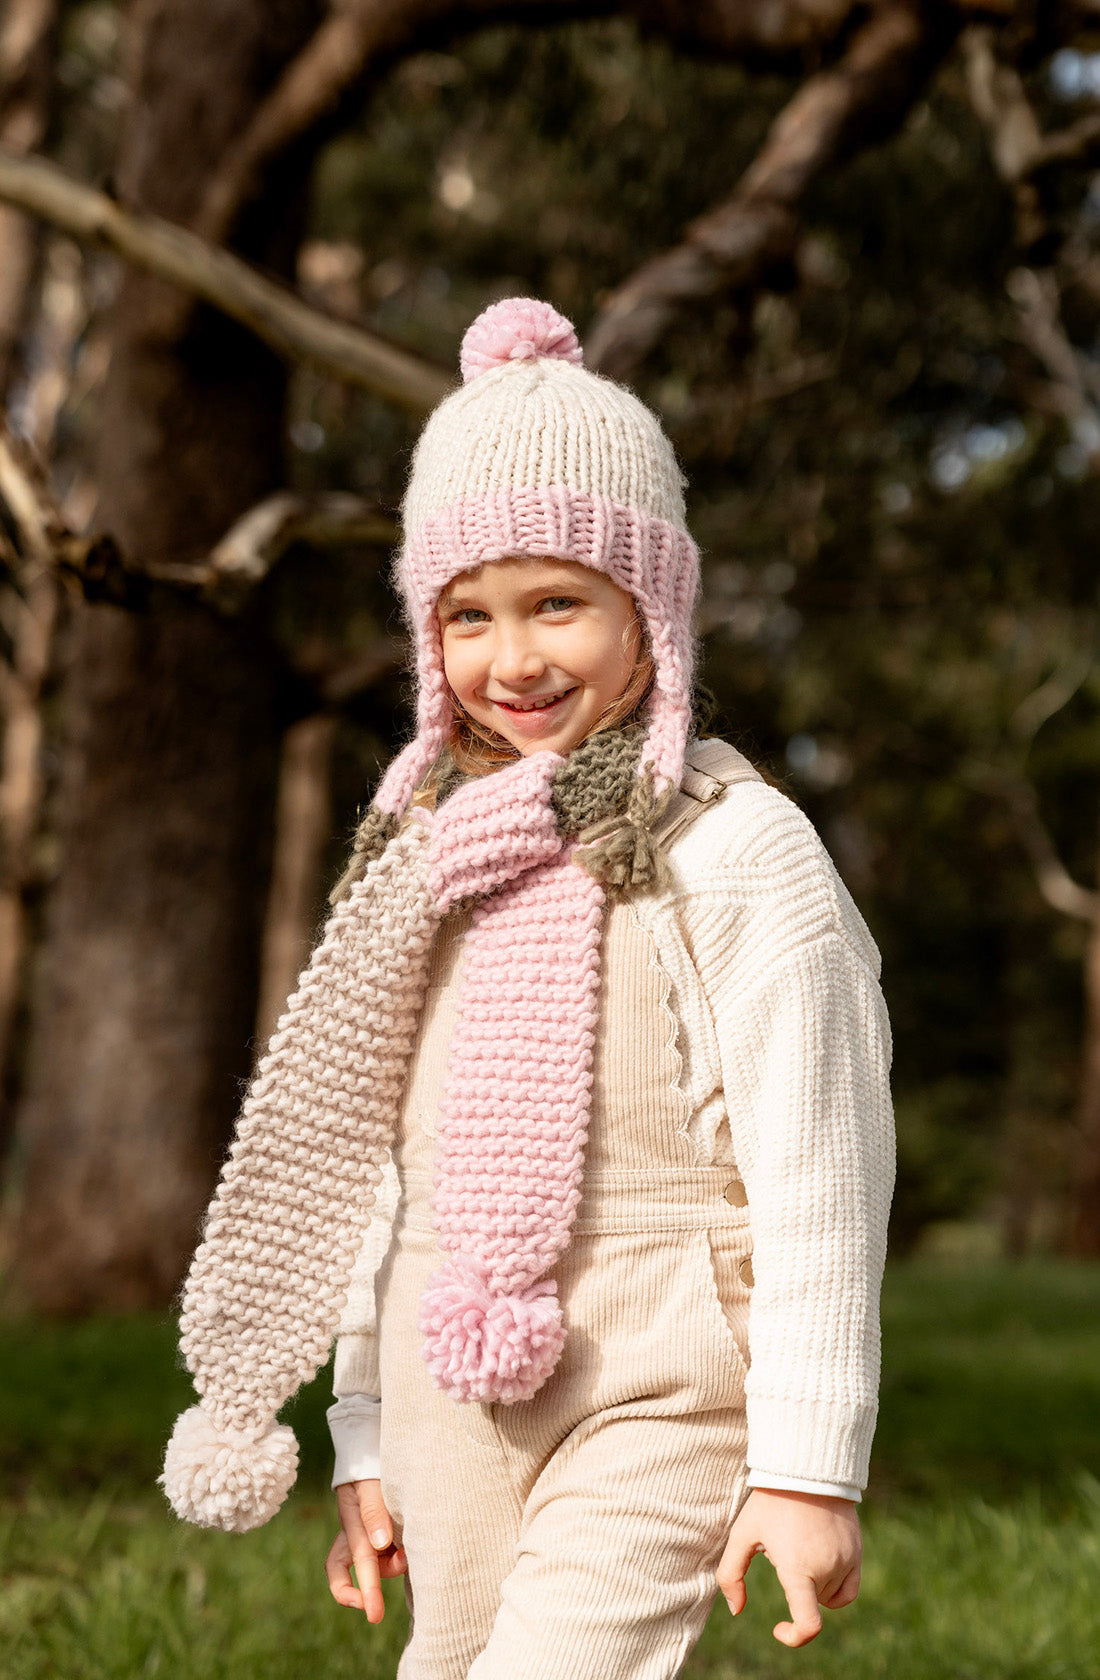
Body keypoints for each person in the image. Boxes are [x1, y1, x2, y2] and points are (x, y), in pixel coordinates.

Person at [161, 297, 896, 1680]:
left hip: (657, 1373)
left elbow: (823, 1181)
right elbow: (379, 1169)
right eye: (469, 617)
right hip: (450, 1385)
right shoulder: (426, 865)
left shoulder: (735, 851)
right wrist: (363, 1436)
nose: (515, 659)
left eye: (559, 601)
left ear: (650, 605)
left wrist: (809, 1464)